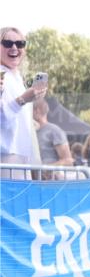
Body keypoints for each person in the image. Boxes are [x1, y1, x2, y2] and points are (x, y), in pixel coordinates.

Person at [1, 27, 44, 179]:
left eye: (20, 43)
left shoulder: (17, 78)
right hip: (5, 155)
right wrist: (23, 99)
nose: (14, 47)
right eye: (7, 43)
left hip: (22, 155)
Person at [33, 99, 72, 175]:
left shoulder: (54, 131)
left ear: (37, 111)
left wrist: (45, 169)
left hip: (51, 183)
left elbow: (68, 161)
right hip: (33, 182)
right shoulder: (30, 132)